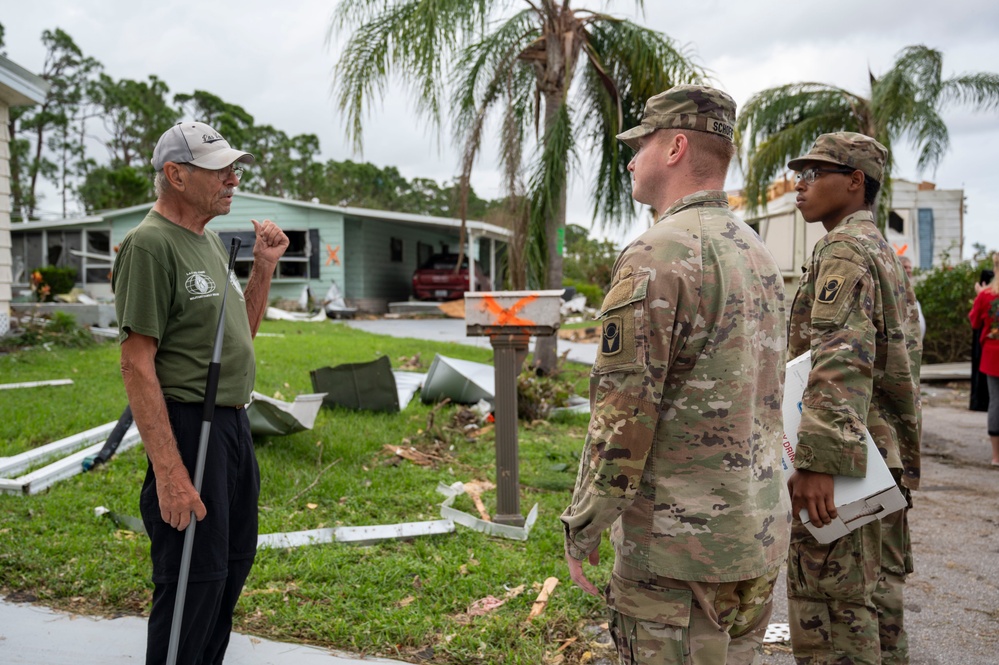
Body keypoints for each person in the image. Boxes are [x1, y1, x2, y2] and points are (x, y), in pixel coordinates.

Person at [561, 85, 791, 664]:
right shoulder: (756, 250)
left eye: (640, 144)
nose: (631, 159)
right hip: (754, 540)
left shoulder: (656, 254)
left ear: (676, 148)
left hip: (676, 558)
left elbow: (623, 416)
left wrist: (585, 526)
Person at [112, 121, 289, 665]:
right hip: (192, 428)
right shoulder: (149, 246)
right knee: (192, 580)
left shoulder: (209, 242)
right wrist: (169, 474)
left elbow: (240, 333)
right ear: (177, 175)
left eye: (234, 168)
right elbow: (136, 364)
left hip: (233, 428)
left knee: (229, 571)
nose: (233, 178)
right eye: (221, 169)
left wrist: (263, 269)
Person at [785, 132, 922, 664]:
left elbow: (842, 358)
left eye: (816, 173)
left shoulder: (844, 249)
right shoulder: (880, 251)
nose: (802, 184)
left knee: (835, 620)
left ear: (855, 182)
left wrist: (819, 463)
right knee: (877, 611)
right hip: (878, 461)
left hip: (846, 469)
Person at [968, 253, 999, 466]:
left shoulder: (987, 295)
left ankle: (997, 455)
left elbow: (975, 322)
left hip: (993, 354)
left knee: (996, 402)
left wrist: (980, 294)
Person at [898, 255, 925, 340]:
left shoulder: (910, 291)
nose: (909, 270)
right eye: (905, 267)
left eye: (910, 267)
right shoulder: (896, 290)